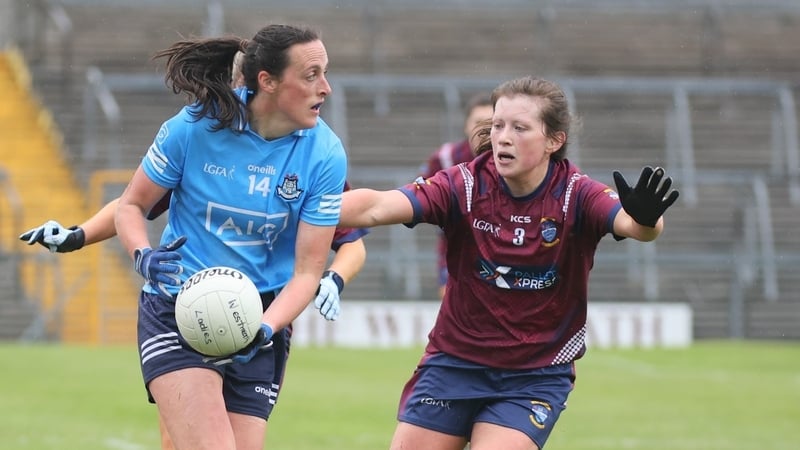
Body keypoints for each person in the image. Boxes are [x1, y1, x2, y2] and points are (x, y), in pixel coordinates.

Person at [338, 75, 679, 450]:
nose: (503, 137)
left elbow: (635, 226)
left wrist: (647, 218)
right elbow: (377, 206)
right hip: (454, 363)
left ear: (554, 140)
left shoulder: (576, 193)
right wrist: (302, 209)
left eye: (520, 128)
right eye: (498, 125)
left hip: (535, 374)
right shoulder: (463, 184)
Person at [111, 24, 345, 450]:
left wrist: (265, 328)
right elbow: (130, 206)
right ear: (267, 81)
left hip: (261, 321)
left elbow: (308, 272)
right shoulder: (196, 126)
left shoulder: (325, 154)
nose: (325, 88)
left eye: (325, 73)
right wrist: (142, 254)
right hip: (176, 308)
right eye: (311, 75)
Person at [418, 92, 493, 299]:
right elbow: (421, 195)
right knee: (453, 302)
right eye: (479, 122)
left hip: (501, 246)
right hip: (456, 247)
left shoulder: (511, 160)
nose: (485, 128)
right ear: (467, 125)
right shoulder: (446, 157)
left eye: (492, 122)